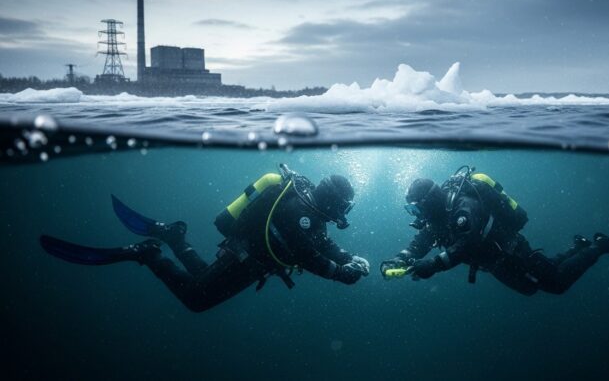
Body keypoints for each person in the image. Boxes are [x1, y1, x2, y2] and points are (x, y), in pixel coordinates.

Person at [41, 164, 370, 312]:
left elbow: (320, 243)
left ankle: (173, 236)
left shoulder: (309, 211)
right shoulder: (302, 213)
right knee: (196, 300)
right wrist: (339, 273)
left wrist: (346, 257)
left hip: (245, 256)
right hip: (245, 259)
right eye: (343, 208)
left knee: (199, 280)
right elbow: (306, 254)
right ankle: (148, 254)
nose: (343, 214)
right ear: (332, 202)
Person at [380, 166, 609, 294]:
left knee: (555, 285)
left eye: (415, 208)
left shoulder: (463, 206)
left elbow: (468, 241)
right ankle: (580, 247)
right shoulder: (438, 217)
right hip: (496, 263)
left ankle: (601, 246)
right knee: (532, 288)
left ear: (428, 201)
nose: (416, 215)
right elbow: (423, 240)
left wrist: (435, 264)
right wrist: (403, 258)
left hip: (511, 250)